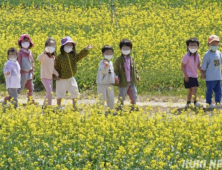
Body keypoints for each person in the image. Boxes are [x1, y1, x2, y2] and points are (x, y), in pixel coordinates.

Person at [54, 36, 93, 109]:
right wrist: (55, 75)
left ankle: (75, 105)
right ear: (63, 46)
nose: (69, 46)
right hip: (61, 78)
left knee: (74, 90)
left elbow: (79, 56)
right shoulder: (59, 57)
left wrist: (85, 50)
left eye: (70, 45)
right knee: (60, 92)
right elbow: (55, 67)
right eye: (67, 45)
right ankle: (58, 106)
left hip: (71, 77)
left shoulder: (73, 55)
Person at [114, 39, 140, 111]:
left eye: (128, 48)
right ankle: (119, 107)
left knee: (134, 94)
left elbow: (134, 69)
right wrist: (116, 78)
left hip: (131, 81)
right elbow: (115, 70)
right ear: (120, 49)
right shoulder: (118, 60)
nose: (126, 50)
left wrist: (137, 76)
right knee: (122, 96)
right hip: (123, 81)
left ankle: (133, 107)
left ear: (131, 49)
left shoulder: (132, 59)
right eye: (124, 48)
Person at [181, 38, 203, 108]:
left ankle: (188, 103)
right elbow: (182, 66)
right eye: (191, 45)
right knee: (194, 88)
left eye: (195, 45)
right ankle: (195, 102)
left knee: (190, 90)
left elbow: (198, 65)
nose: (193, 47)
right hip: (189, 75)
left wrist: (201, 73)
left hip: (194, 75)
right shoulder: (186, 56)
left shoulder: (197, 55)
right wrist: (185, 75)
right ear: (187, 46)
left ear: (198, 47)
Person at [201, 35, 222, 108]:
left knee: (218, 91)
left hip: (218, 76)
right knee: (209, 91)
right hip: (210, 77)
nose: (214, 45)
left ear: (218, 44)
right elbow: (203, 66)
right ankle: (208, 103)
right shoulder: (207, 55)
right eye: (212, 44)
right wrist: (202, 73)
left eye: (216, 43)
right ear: (208, 44)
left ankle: (218, 102)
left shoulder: (219, 53)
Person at [37, 37, 59, 106]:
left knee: (51, 93)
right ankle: (44, 106)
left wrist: (57, 74)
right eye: (50, 45)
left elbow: (52, 68)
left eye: (53, 45)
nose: (52, 47)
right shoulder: (44, 56)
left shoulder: (53, 57)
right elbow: (38, 58)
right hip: (44, 77)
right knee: (49, 92)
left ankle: (49, 106)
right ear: (46, 46)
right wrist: (44, 52)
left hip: (50, 78)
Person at [96, 45, 118, 110]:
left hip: (110, 83)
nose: (109, 54)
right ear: (103, 54)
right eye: (107, 52)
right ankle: (99, 111)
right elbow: (103, 72)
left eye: (110, 52)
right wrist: (105, 66)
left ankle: (111, 111)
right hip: (102, 84)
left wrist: (115, 78)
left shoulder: (110, 62)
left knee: (111, 99)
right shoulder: (102, 62)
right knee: (102, 99)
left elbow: (112, 71)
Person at [17, 34, 35, 103]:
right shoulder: (20, 52)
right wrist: (18, 72)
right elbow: (18, 63)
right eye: (24, 41)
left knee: (30, 87)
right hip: (23, 73)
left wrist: (33, 71)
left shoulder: (30, 52)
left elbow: (32, 62)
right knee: (19, 87)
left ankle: (30, 100)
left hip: (29, 73)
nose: (25, 43)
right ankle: (12, 98)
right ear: (21, 43)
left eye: (27, 41)